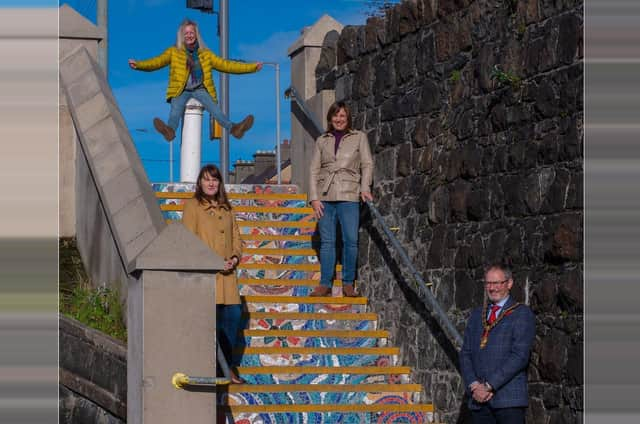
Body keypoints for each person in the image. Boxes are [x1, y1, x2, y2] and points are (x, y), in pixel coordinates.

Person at [128, 18, 262, 142]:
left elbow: (227, 65)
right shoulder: (173, 52)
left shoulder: (205, 54)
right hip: (181, 90)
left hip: (200, 88)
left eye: (191, 32)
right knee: (175, 110)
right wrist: (139, 65)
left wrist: (252, 67)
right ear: (181, 35)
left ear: (196, 34)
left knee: (216, 110)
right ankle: (169, 131)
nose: (189, 35)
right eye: (186, 33)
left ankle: (234, 129)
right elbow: (156, 62)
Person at [182, 164, 245, 384]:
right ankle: (215, 369)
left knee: (233, 321)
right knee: (212, 325)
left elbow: (237, 238)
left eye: (215, 180)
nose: (211, 183)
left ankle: (227, 369)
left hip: (228, 278)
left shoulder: (228, 209)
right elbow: (188, 241)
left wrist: (235, 258)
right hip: (206, 277)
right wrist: (212, 262)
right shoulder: (193, 206)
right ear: (200, 182)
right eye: (207, 179)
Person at [308, 101, 374, 297]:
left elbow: (367, 164)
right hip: (325, 196)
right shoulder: (322, 140)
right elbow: (313, 170)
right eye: (335, 116)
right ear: (330, 118)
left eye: (342, 116)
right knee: (327, 242)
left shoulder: (359, 137)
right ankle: (325, 283)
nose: (339, 119)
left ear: (348, 118)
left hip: (349, 194)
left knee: (351, 240)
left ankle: (347, 283)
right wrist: (314, 198)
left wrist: (365, 188)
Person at [460, 263, 536, 423]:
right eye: (488, 283)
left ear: (509, 283)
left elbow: (519, 356)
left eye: (497, 283)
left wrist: (489, 385)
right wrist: (474, 385)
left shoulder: (521, 314)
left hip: (508, 401)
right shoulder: (476, 315)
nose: (492, 288)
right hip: (479, 401)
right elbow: (465, 353)